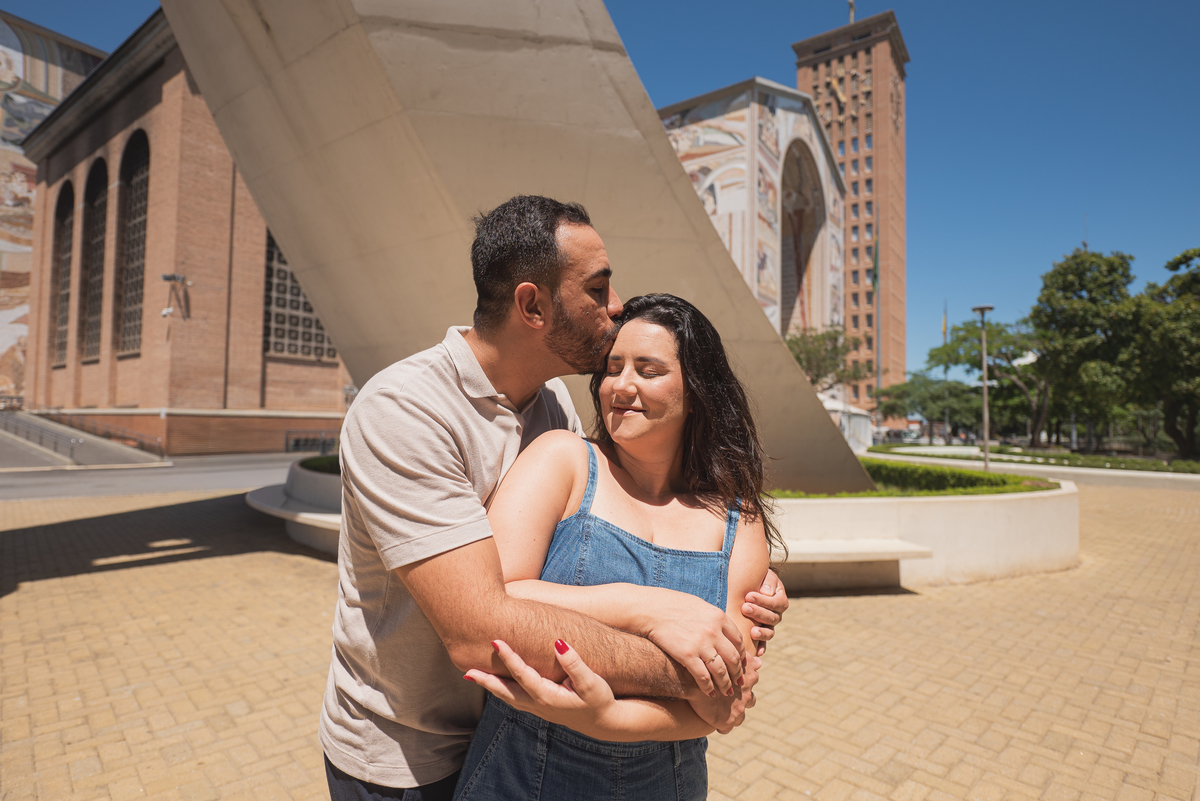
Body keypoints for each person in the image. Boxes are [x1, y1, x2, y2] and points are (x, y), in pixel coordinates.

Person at [319, 196, 790, 800]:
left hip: (511, 724)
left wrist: (737, 583)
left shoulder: (554, 409)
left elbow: (625, 519)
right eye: (598, 288)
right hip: (410, 751)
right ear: (532, 305)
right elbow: (479, 628)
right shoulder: (405, 411)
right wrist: (690, 654)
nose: (615, 306)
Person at [453, 293, 781, 800]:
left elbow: (724, 701)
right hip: (520, 778)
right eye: (612, 368)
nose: (621, 386)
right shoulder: (563, 460)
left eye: (647, 370)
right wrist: (647, 609)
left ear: (696, 391)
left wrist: (610, 718)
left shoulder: (739, 518)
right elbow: (493, 600)